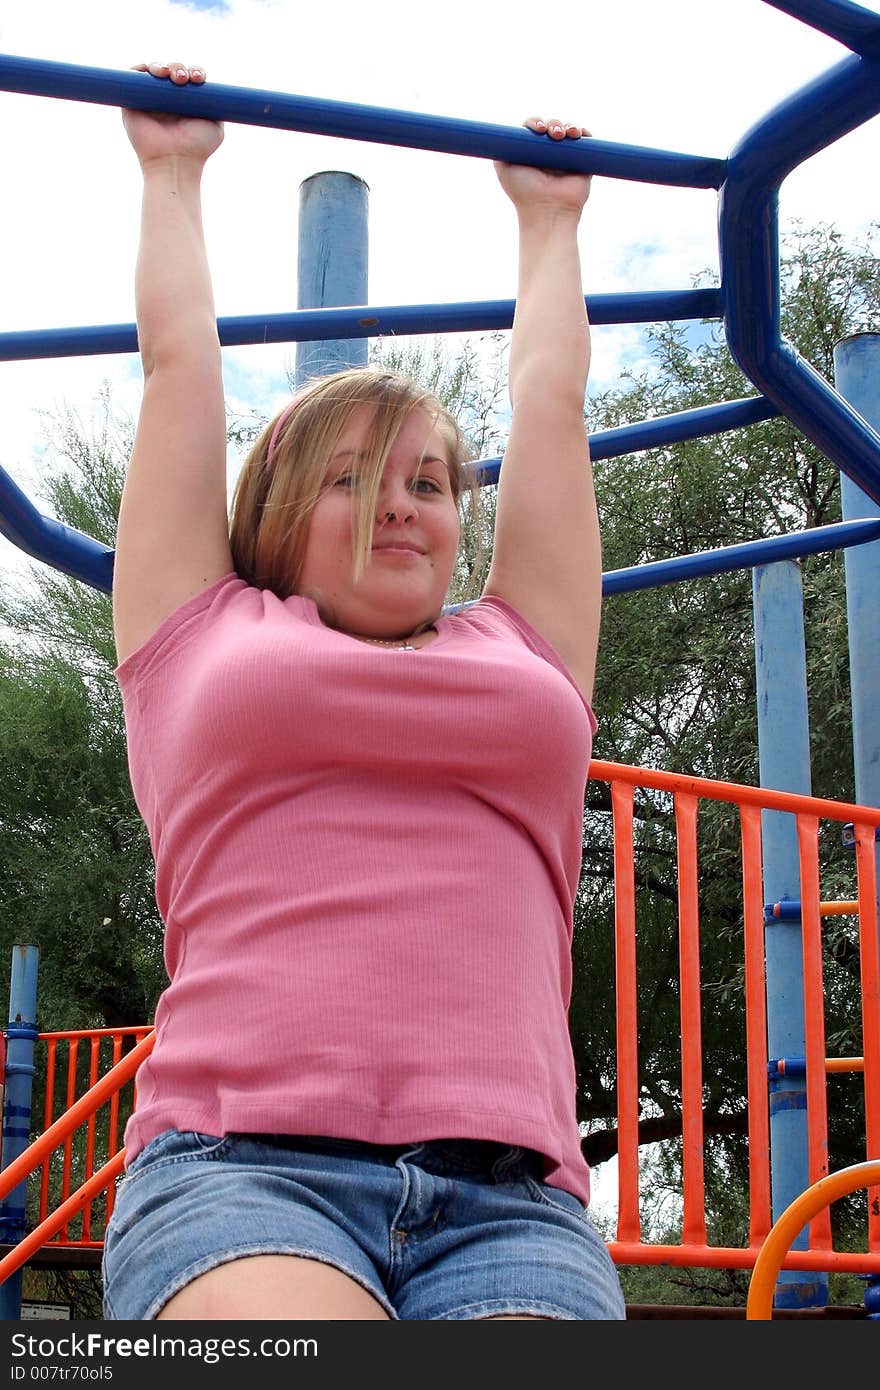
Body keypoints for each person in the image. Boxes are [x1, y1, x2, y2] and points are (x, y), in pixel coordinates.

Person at [102, 59, 625, 1322]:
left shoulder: (525, 649)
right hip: (240, 1166)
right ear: (280, 509)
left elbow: (549, 408)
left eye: (430, 481)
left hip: (511, 1197)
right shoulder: (200, 633)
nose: (398, 500)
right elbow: (179, 366)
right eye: (349, 476)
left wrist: (549, 222)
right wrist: (172, 172)